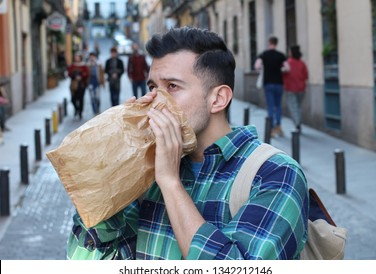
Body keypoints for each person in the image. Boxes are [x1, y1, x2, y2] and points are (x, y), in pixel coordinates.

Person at [67, 27, 308, 260]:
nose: (154, 101)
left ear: (218, 99)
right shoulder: (147, 172)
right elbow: (88, 260)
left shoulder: (275, 174)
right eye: (152, 87)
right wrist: (107, 179)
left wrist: (171, 184)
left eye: (172, 87)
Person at [254, 36, 288, 138]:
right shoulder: (281, 55)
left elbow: (257, 66)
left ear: (269, 43)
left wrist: (263, 67)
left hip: (268, 83)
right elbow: (287, 68)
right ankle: (278, 126)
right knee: (278, 106)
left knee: (270, 106)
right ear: (276, 43)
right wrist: (280, 70)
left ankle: (272, 129)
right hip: (279, 83)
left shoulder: (264, 54)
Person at [283, 45, 308, 133]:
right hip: (301, 88)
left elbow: (284, 73)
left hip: (290, 88)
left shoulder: (288, 62)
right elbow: (306, 76)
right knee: (298, 107)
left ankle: (297, 125)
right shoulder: (302, 63)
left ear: (292, 52)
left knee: (293, 107)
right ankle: (298, 123)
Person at [67, 53, 89, 120]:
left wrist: (81, 76)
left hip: (81, 84)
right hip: (74, 84)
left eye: (78, 57)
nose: (76, 58)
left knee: (81, 99)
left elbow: (87, 74)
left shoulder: (84, 66)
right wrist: (75, 76)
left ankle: (80, 112)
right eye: (75, 57)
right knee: (73, 99)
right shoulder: (72, 66)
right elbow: (69, 73)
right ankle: (76, 109)